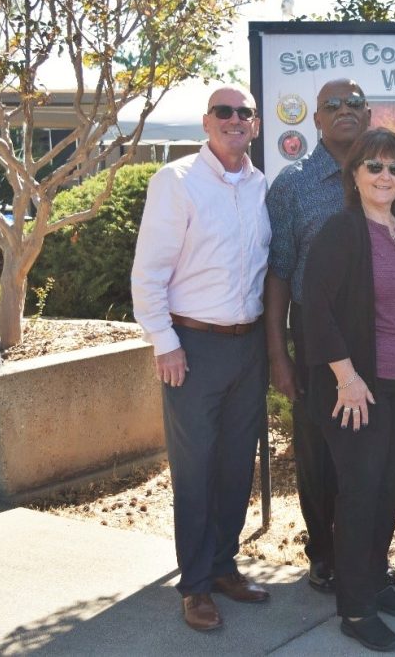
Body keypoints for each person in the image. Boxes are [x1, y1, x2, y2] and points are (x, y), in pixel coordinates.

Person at [265, 79, 395, 596]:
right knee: (320, 461)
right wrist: (280, 357)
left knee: (375, 473)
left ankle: (366, 568)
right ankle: (326, 558)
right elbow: (279, 274)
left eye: (354, 104)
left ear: (368, 114)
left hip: (392, 359)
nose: (343, 111)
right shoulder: (292, 185)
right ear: (315, 119)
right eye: (331, 105)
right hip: (326, 354)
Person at [131, 85, 271, 632]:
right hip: (193, 347)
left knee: (237, 465)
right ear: (207, 121)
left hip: (248, 344)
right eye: (225, 112)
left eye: (245, 113)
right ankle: (194, 586)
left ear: (255, 125)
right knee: (195, 470)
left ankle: (222, 566)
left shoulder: (261, 185)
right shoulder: (176, 181)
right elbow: (148, 272)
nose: (236, 120)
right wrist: (164, 341)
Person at [300, 128, 395, 652]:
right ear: (354, 174)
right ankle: (355, 609)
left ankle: (375, 582)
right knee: (359, 493)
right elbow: (317, 308)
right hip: (356, 388)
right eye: (374, 166)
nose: (385, 176)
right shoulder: (342, 229)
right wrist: (347, 378)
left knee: (387, 485)